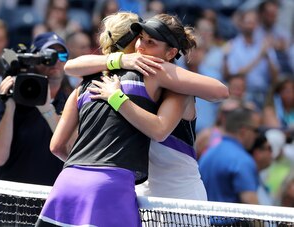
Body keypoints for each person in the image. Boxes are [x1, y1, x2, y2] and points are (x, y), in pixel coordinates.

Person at [36, 12, 228, 227]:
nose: (140, 47)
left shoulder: (174, 84)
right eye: (140, 40)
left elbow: (162, 128)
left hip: (180, 198)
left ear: (171, 52)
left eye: (150, 42)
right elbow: (70, 66)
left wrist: (117, 99)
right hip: (138, 195)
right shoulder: (127, 74)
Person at [0, 32, 70, 186]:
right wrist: (10, 105)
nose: (56, 61)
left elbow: (72, 151)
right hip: (10, 198)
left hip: (50, 200)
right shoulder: (12, 99)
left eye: (62, 55)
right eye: (48, 55)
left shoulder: (70, 102)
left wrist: (47, 110)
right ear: (34, 60)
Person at [199, 106, 260, 204]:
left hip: (204, 218)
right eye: (256, 130)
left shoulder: (208, 153)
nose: (257, 136)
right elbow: (251, 204)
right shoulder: (242, 160)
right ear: (244, 130)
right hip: (230, 220)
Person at [248, 133, 274, 205]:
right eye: (269, 148)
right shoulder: (248, 180)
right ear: (257, 153)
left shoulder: (259, 177)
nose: (272, 153)